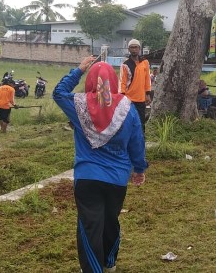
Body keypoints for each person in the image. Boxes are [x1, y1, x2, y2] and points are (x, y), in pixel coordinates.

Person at [53, 56, 147, 273]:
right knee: (110, 222)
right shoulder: (128, 109)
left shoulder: (79, 106)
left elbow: (58, 93)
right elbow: (137, 142)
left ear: (90, 81)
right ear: (113, 81)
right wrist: (139, 169)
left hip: (87, 177)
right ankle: (109, 263)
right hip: (117, 179)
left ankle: (93, 269)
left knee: (90, 227)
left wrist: (78, 70)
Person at [119, 39, 151, 132]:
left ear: (139, 48)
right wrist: (122, 98)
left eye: (136, 47)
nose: (134, 50)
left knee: (141, 122)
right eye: (132, 47)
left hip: (141, 98)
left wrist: (147, 94)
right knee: (128, 122)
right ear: (129, 49)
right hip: (129, 99)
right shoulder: (125, 65)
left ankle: (141, 141)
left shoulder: (145, 62)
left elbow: (147, 79)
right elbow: (122, 82)